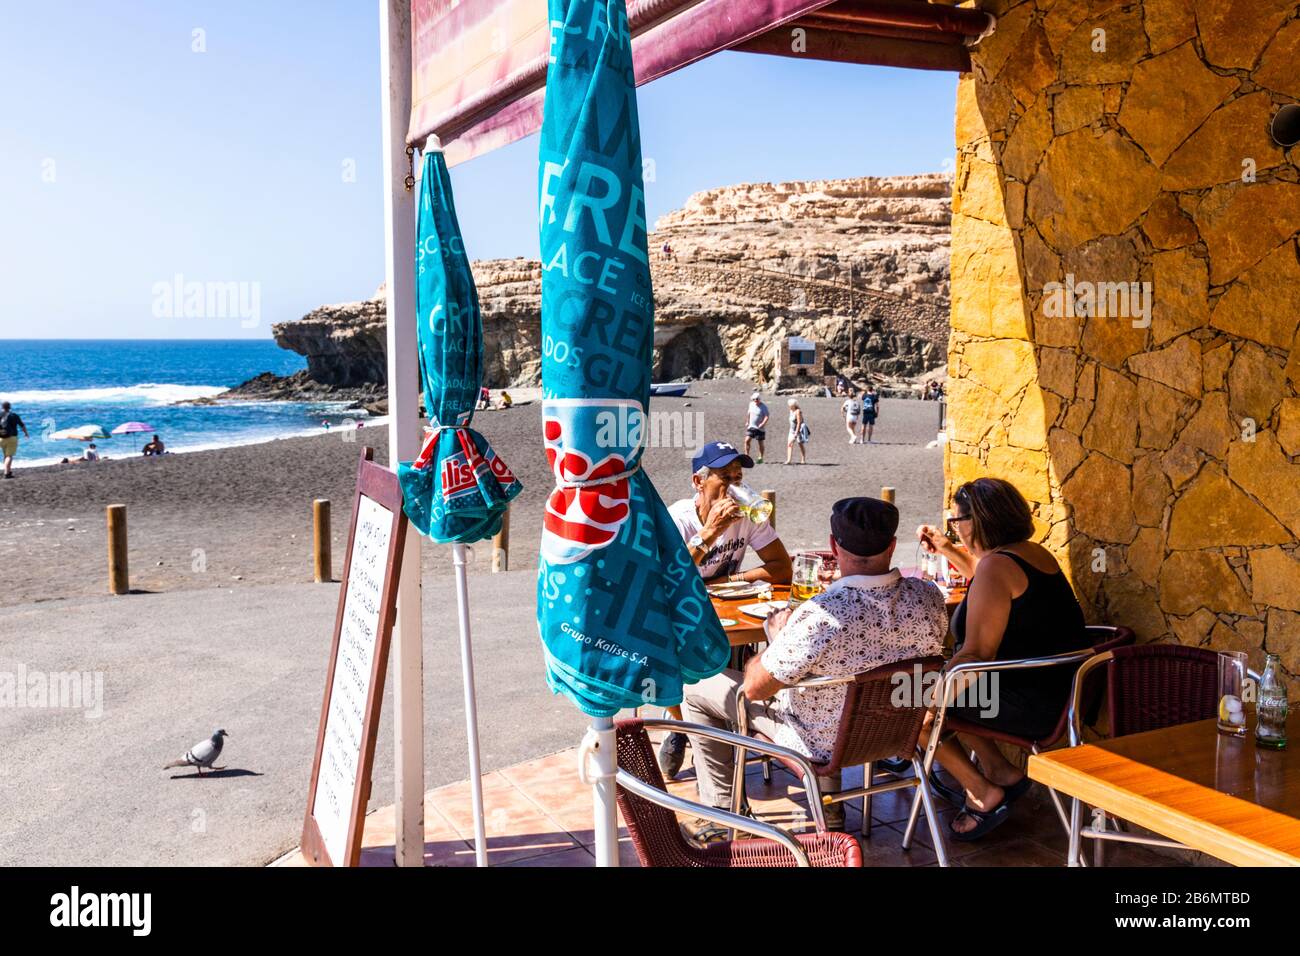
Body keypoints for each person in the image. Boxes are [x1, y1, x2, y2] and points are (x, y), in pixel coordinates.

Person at [679, 496, 947, 840]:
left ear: (834, 546)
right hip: (896, 735)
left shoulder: (822, 614)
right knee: (829, 693)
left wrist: (778, 638)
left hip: (818, 743)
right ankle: (828, 803)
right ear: (892, 545)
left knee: (697, 686)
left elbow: (756, 688)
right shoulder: (929, 598)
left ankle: (723, 815)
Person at [915, 477, 1091, 842]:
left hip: (1033, 705)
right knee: (951, 690)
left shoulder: (996, 567)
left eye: (956, 521)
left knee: (908, 701)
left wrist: (931, 702)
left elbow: (977, 654)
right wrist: (948, 548)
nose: (956, 527)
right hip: (1065, 694)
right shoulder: (1031, 554)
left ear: (976, 522)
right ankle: (1002, 772)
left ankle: (982, 792)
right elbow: (986, 581)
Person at [659, 441, 793, 778]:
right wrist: (709, 534)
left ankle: (717, 721)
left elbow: (781, 566)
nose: (734, 486)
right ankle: (681, 723)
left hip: (726, 611)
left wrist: (734, 577)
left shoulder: (747, 516)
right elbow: (667, 580)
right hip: (678, 610)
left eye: (738, 477)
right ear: (698, 481)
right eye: (724, 478)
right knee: (670, 642)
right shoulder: (678, 519)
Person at [0, 402, 29, 479]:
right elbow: (22, 425)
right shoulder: (14, 415)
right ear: (10, 407)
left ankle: (8, 471)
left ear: (2, 407)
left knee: (6, 456)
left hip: (1, 438)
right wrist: (26, 433)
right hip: (12, 438)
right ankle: (6, 473)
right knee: (9, 456)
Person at [742, 392, 769, 463]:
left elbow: (766, 416)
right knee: (747, 440)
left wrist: (763, 424)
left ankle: (760, 458)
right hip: (751, 426)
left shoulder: (763, 407)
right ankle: (746, 456)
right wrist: (747, 421)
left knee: (760, 443)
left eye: (757, 399)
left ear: (760, 399)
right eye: (754, 399)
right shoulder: (751, 404)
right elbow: (749, 413)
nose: (755, 400)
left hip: (760, 428)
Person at [785, 398, 808, 465]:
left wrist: (796, 433)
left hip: (798, 431)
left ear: (794, 405)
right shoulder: (791, 411)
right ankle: (788, 460)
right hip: (791, 430)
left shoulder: (798, 411)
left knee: (800, 444)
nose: (789, 406)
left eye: (790, 405)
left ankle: (803, 459)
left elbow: (799, 422)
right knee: (789, 444)